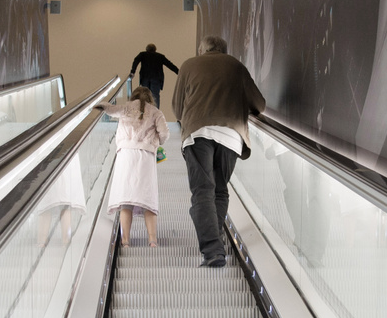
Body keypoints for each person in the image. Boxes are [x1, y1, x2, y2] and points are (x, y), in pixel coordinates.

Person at [168, 35, 265, 267]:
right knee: (220, 191)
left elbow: (177, 109)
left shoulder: (189, 65)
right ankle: (216, 244)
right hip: (231, 136)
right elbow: (259, 104)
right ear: (224, 50)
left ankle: (213, 250)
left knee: (202, 190)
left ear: (202, 50)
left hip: (198, 133)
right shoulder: (236, 66)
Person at [95, 85, 169, 246]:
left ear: (133, 97)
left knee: (126, 200)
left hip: (126, 157)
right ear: (150, 99)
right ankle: (152, 240)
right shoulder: (156, 112)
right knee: (148, 200)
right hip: (146, 157)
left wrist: (97, 103)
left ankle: (126, 241)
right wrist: (157, 142)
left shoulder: (126, 108)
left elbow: (109, 109)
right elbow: (164, 133)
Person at [129, 43, 181, 109]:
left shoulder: (142, 54)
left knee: (144, 95)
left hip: (145, 78)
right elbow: (170, 65)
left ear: (146, 49)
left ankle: (144, 111)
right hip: (156, 79)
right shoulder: (160, 56)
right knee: (155, 96)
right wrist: (179, 73)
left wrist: (133, 72)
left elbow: (135, 61)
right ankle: (155, 112)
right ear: (155, 49)